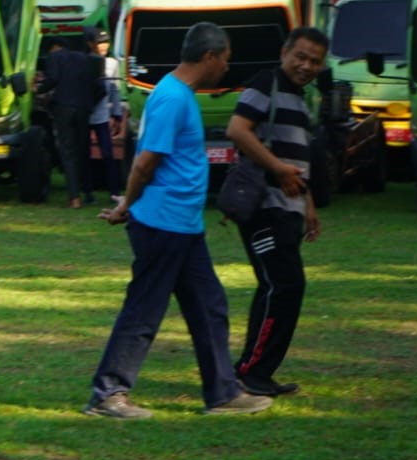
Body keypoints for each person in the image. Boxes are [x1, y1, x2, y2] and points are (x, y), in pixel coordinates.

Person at [83, 21, 272, 418]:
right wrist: (126, 206)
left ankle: (222, 394)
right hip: (162, 224)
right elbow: (145, 162)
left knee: (209, 305)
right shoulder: (171, 97)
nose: (226, 67)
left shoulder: (177, 94)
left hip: (182, 226)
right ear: (209, 56)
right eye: (224, 59)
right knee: (144, 310)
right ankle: (108, 395)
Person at [226, 26, 328, 397]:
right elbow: (237, 130)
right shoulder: (264, 82)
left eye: (314, 61)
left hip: (288, 207)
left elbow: (296, 158)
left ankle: (257, 372)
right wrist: (278, 169)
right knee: (281, 285)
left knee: (283, 286)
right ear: (285, 52)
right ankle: (249, 372)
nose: (306, 65)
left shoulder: (301, 98)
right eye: (300, 56)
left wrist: (308, 204)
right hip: (263, 206)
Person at [41, 36, 98, 208]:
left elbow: (53, 79)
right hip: (83, 108)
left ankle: (74, 198)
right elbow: (95, 82)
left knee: (67, 151)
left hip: (64, 107)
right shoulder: (84, 58)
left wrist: (38, 88)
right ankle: (88, 192)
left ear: (54, 47)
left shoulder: (54, 57)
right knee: (83, 150)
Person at [84, 28, 125, 199]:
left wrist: (116, 114)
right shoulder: (83, 61)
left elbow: (115, 91)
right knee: (84, 154)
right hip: (85, 114)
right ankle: (87, 191)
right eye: (99, 42)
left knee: (108, 154)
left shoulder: (112, 64)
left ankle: (114, 192)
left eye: (106, 42)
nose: (103, 46)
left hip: (102, 115)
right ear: (90, 44)